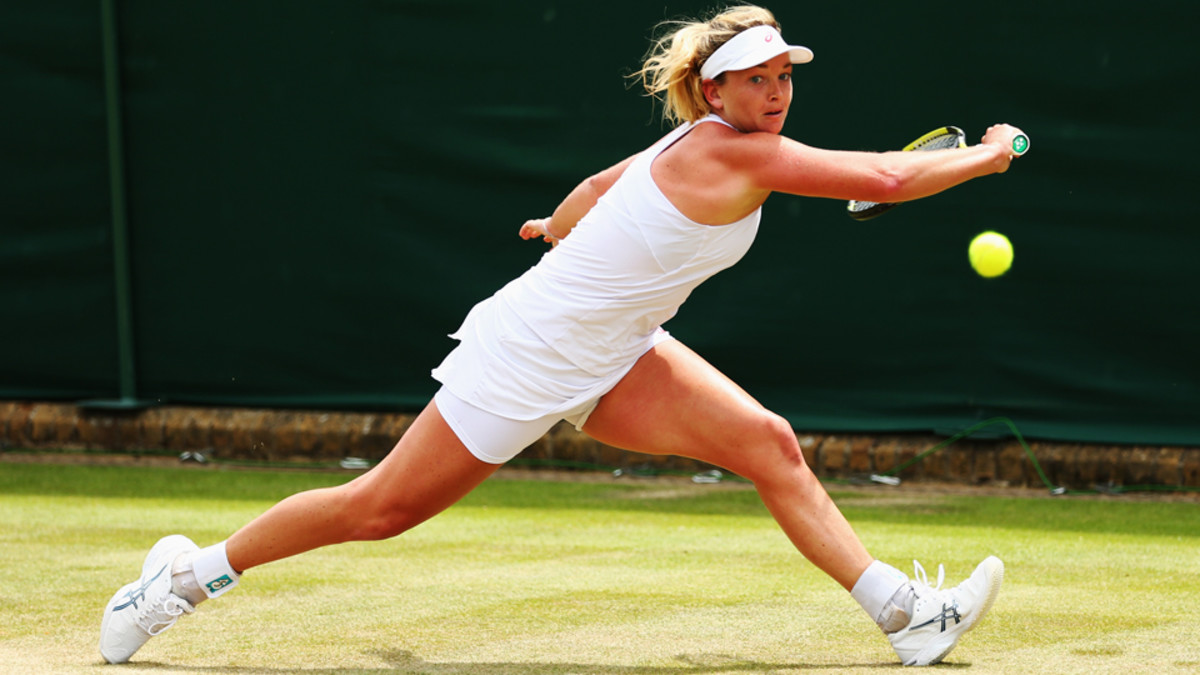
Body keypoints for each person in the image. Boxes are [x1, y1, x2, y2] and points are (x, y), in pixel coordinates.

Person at [100, 4, 1023, 667]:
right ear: (715, 89)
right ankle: (180, 579)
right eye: (758, 78)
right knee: (379, 509)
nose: (778, 91)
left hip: (618, 349)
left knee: (768, 442)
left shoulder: (686, 146)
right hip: (533, 352)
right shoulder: (726, 151)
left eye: (785, 76)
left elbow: (592, 188)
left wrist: (557, 228)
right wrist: (988, 155)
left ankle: (906, 615)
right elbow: (885, 179)